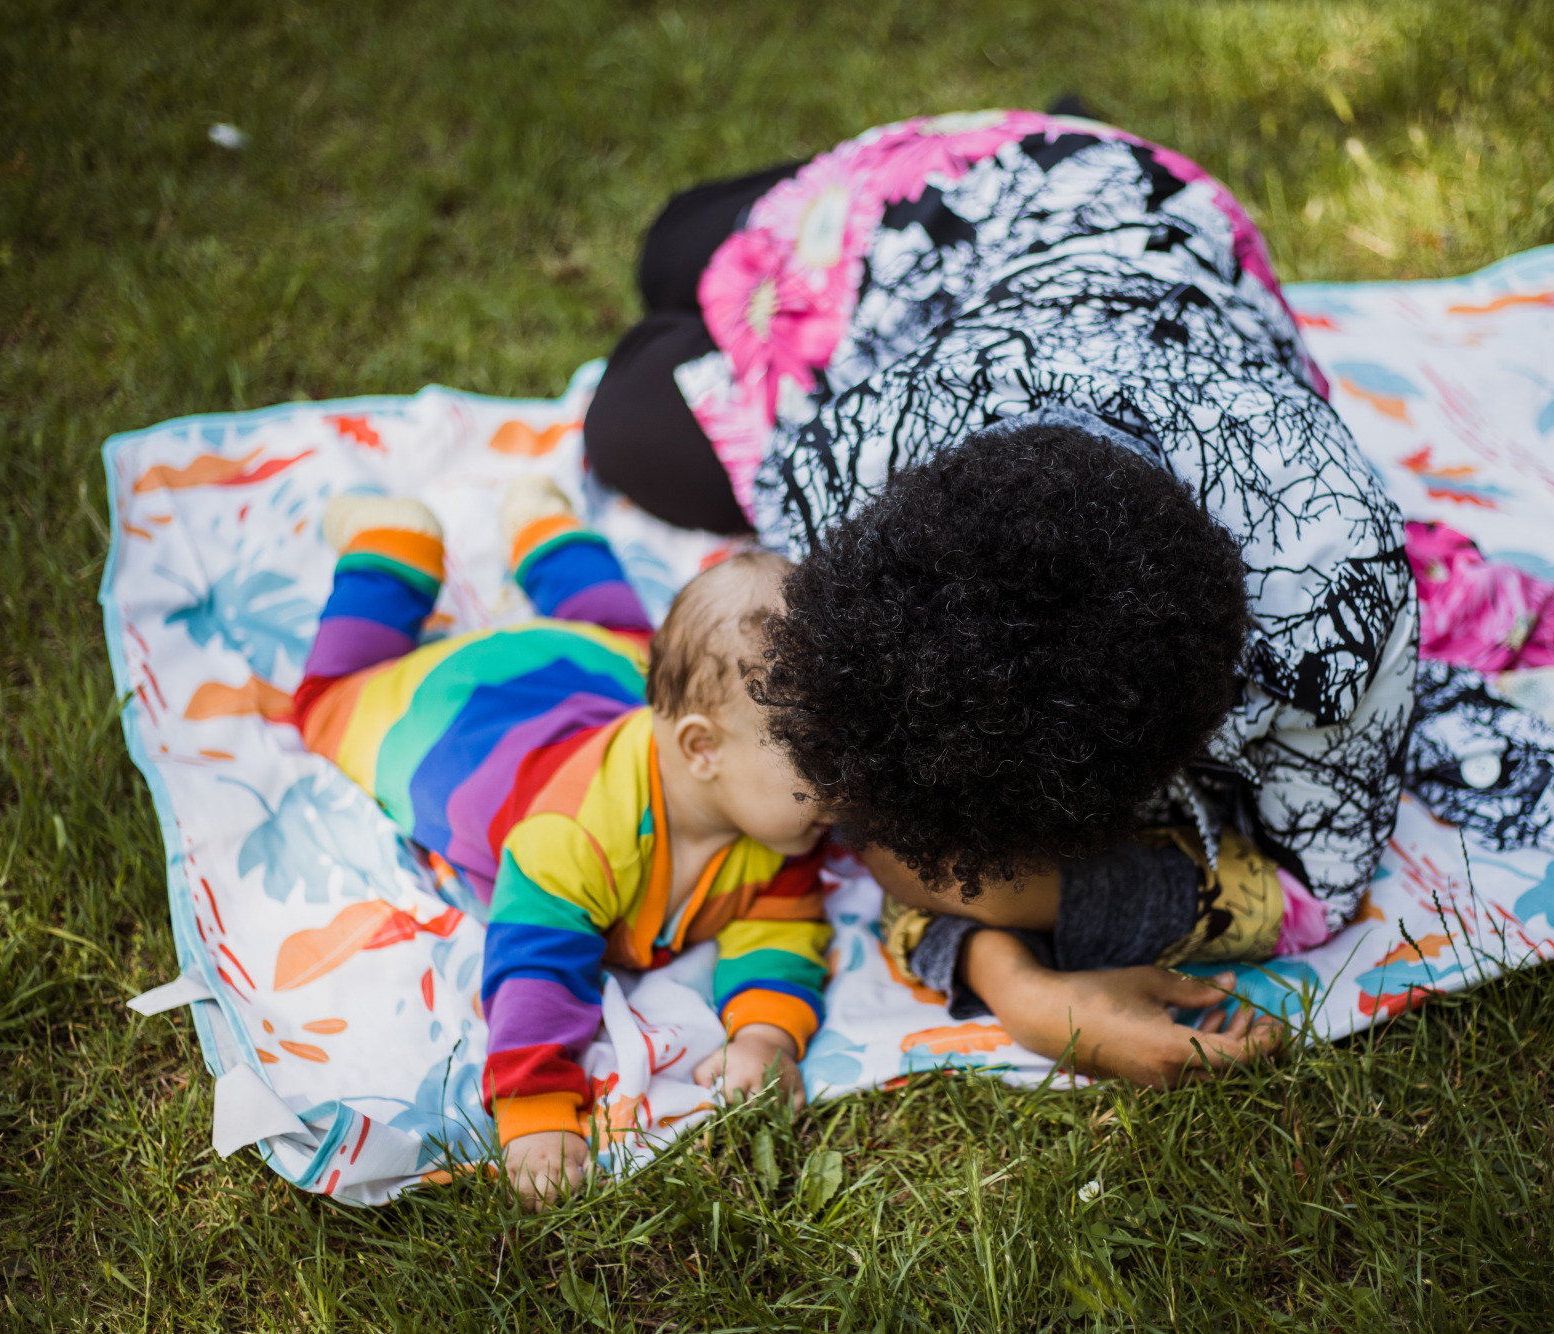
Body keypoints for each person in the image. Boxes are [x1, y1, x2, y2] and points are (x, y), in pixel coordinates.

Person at [583, 107, 1419, 1085]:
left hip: (1126, 250)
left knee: (625, 413)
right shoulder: (863, 470)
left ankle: (1064, 124)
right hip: (970, 217)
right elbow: (909, 835)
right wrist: (1011, 955)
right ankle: (1050, 123)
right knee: (672, 248)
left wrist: (1014, 980)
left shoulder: (1334, 607)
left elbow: (1308, 884)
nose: (879, 848)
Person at [291, 480, 832, 1205]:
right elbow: (534, 962)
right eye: (823, 767)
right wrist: (536, 1106)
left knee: (636, 645)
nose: (849, 791)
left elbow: (782, 928)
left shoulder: (776, 822)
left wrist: (766, 1035)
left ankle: (546, 529)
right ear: (701, 749)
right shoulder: (576, 834)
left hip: (599, 670)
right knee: (326, 700)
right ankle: (393, 547)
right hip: (462, 702)